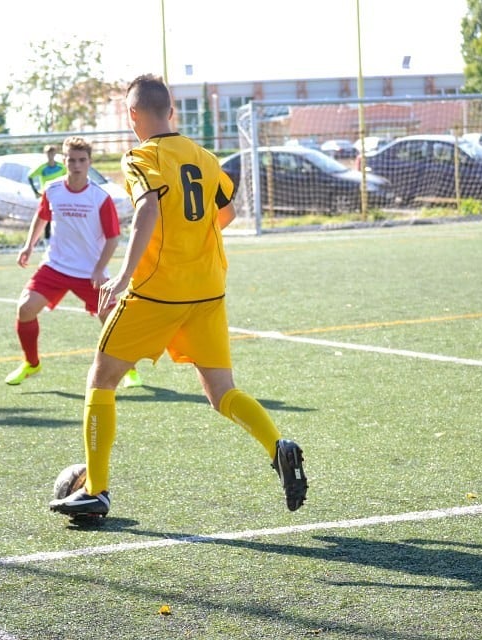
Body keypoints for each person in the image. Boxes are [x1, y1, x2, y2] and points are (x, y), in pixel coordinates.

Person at [49, 74, 308, 518]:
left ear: (133, 115)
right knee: (222, 391)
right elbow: (226, 210)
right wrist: (193, 241)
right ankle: (277, 446)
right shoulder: (204, 157)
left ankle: (97, 490)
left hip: (157, 292)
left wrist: (126, 274)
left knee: (102, 378)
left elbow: (148, 207)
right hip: (208, 289)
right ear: (171, 111)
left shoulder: (140, 156)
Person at [6, 136, 142, 388]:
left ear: (89, 163)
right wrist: (29, 245)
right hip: (55, 266)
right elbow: (41, 217)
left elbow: (113, 238)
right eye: (71, 160)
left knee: (112, 322)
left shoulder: (100, 198)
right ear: (64, 161)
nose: (76, 165)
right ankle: (32, 364)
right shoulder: (53, 189)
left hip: (90, 272)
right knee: (25, 309)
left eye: (82, 160)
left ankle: (130, 370)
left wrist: (100, 269)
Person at [28, 145, 67, 242]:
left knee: (60, 218)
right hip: (47, 196)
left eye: (52, 153)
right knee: (46, 218)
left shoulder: (61, 167)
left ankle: (60, 239)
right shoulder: (42, 168)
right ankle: (47, 241)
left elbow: (66, 177)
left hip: (59, 196)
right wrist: (36, 191)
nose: (51, 155)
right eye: (49, 153)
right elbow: (30, 176)